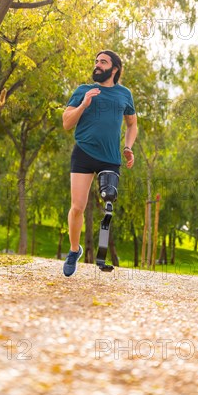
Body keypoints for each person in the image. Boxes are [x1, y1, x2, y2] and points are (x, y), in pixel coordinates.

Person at [62, 50, 137, 277]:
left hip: (110, 157)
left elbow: (132, 124)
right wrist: (83, 105)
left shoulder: (124, 94)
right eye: (96, 61)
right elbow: (66, 123)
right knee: (77, 208)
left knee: (108, 198)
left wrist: (128, 147)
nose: (97, 65)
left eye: (102, 62)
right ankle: (75, 250)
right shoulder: (83, 90)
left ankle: (102, 254)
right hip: (83, 154)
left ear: (114, 69)